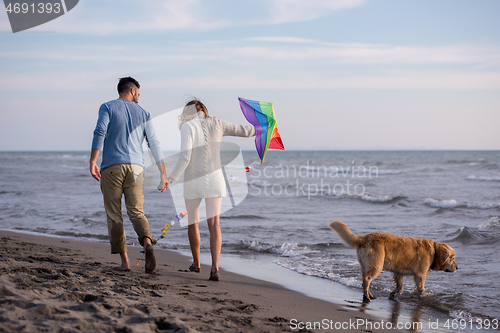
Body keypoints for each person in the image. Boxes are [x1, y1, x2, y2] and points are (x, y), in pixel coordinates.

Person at [169, 98, 255, 281]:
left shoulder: (188, 126)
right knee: (214, 225)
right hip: (215, 181)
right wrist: (264, 127)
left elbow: (185, 158)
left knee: (193, 223)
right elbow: (247, 131)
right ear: (204, 110)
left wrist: (170, 179)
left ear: (187, 113)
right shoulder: (218, 124)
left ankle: (197, 264)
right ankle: (215, 269)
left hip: (193, 182)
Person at [90, 76, 169, 274]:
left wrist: (93, 161)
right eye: (138, 94)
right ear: (132, 90)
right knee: (136, 212)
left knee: (114, 215)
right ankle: (147, 243)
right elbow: (154, 143)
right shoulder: (144, 113)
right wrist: (163, 174)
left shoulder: (107, 107)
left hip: (112, 167)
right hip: (136, 168)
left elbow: (100, 131)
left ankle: (125, 262)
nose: (139, 98)